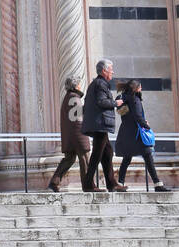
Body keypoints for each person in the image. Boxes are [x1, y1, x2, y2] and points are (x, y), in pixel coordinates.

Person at [114, 79, 169, 191]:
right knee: (148, 157)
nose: (141, 89)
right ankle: (157, 184)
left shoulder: (123, 98)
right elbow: (138, 117)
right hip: (137, 134)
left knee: (127, 158)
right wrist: (147, 126)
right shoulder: (135, 99)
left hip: (126, 133)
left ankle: (120, 182)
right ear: (136, 88)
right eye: (140, 87)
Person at [81, 59, 121, 192]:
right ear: (104, 71)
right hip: (100, 124)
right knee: (97, 154)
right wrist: (116, 103)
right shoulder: (101, 84)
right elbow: (102, 102)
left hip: (98, 123)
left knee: (108, 152)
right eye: (111, 69)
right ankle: (88, 184)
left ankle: (111, 183)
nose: (113, 72)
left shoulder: (96, 83)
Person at [47, 77, 90, 193]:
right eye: (79, 84)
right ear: (75, 86)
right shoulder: (74, 98)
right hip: (77, 135)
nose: (80, 86)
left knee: (69, 159)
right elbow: (77, 118)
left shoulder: (68, 97)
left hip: (70, 135)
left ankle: (54, 182)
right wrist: (83, 138)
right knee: (85, 159)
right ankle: (88, 185)